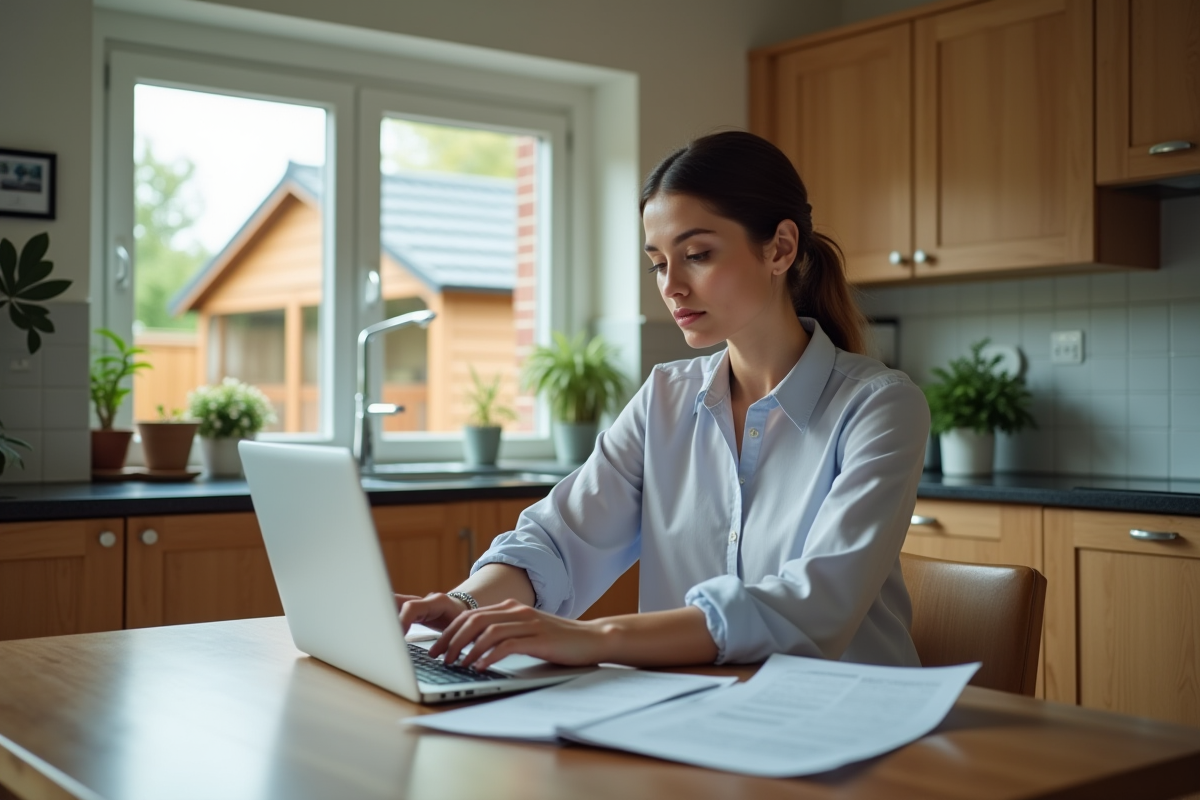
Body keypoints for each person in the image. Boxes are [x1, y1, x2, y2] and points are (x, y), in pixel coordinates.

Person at [397, 130, 930, 672]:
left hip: (848, 716)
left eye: (697, 254)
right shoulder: (664, 398)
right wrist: (465, 604)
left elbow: (815, 605)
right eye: (658, 262)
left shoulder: (880, 407)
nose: (671, 285)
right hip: (691, 713)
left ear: (780, 249)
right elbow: (559, 541)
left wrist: (597, 637)